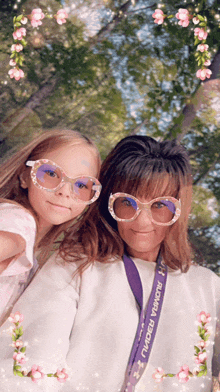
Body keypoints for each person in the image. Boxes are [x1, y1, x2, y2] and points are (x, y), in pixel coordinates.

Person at [0, 135, 219, 392]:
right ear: (108, 203)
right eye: (127, 203)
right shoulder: (74, 266)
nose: (142, 222)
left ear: (179, 210)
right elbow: (30, 365)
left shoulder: (208, 287)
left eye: (160, 206)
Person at [0, 129, 101, 326]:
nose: (64, 191)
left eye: (82, 185)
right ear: (24, 177)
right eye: (51, 173)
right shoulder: (19, 223)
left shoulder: (34, 249)